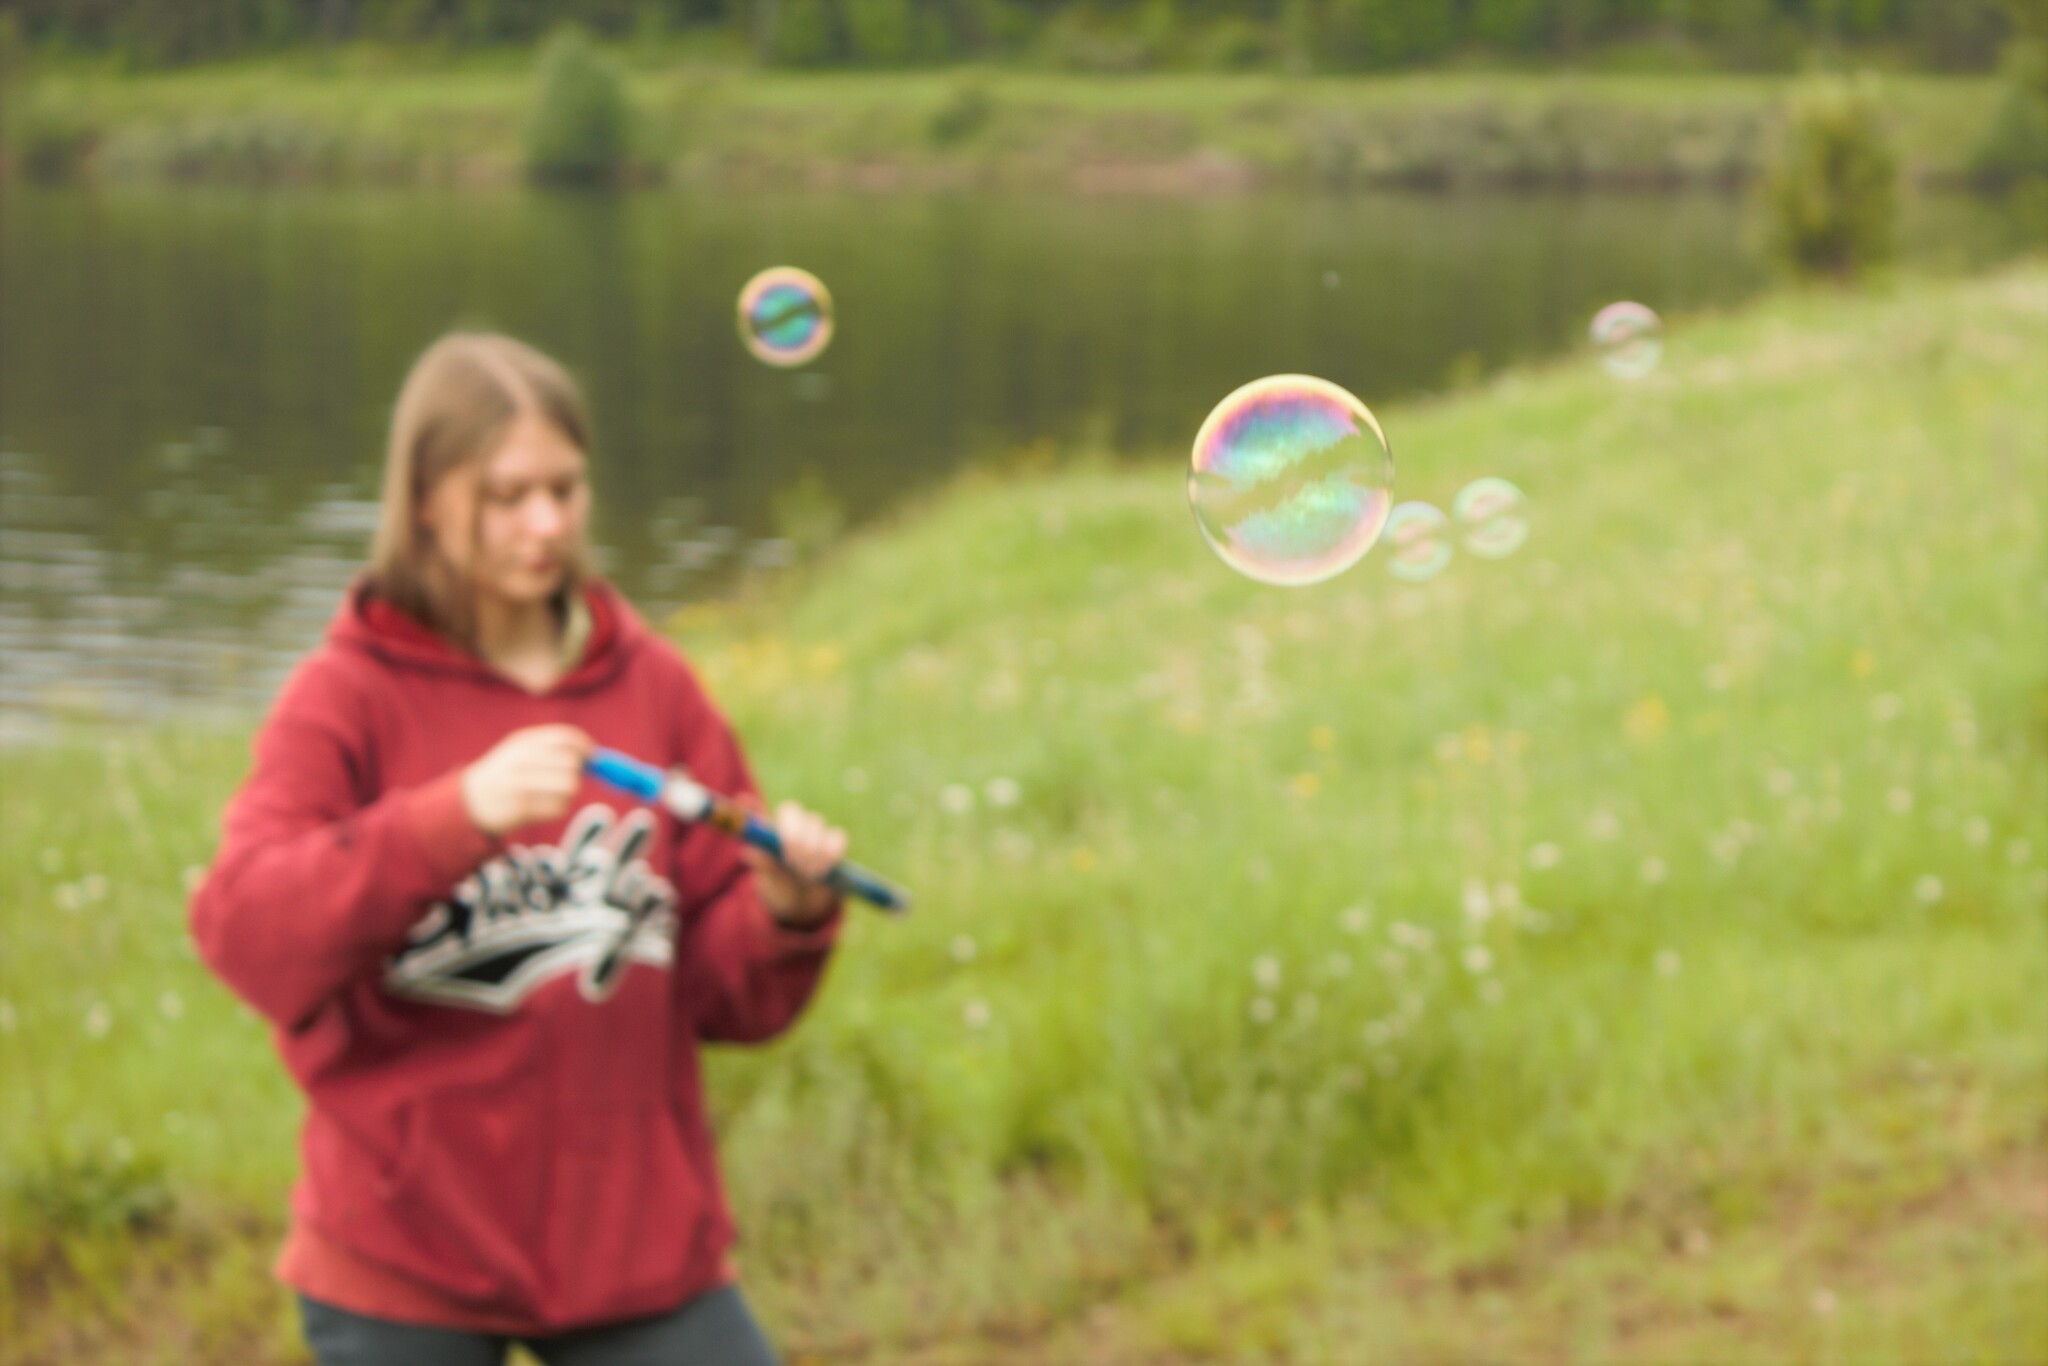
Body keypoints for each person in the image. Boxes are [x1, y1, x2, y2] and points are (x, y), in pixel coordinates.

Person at [189, 333, 848, 1365]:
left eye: (565, 489)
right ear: (424, 501)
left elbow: (722, 995)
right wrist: (446, 818)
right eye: (506, 495)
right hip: (404, 1253)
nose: (545, 524)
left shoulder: (655, 686)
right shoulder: (346, 693)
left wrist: (785, 915)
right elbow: (247, 932)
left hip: (636, 1248)